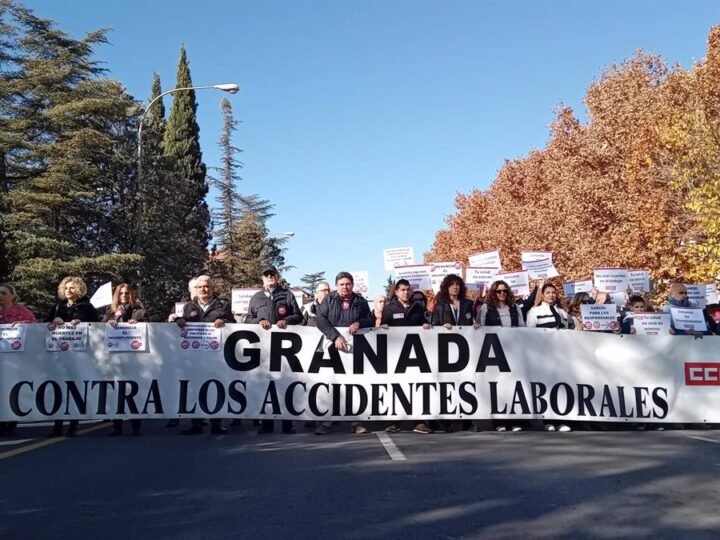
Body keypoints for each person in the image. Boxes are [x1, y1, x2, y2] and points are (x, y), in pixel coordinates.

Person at [314, 271, 374, 435]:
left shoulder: (360, 301)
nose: (345, 287)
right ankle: (327, 421)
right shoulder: (329, 299)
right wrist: (335, 337)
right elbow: (320, 320)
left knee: (353, 385)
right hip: (333, 348)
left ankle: (355, 421)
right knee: (332, 384)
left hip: (354, 351)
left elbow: (370, 319)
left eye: (348, 284)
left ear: (352, 285)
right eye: (341, 284)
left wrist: (359, 322)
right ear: (336, 286)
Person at [246, 265, 303, 434]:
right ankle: (266, 424)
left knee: (285, 385)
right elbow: (248, 318)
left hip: (285, 350)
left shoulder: (287, 295)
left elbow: (298, 316)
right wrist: (258, 322)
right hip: (263, 351)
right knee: (265, 386)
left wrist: (288, 320)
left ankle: (287, 424)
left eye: (272, 274)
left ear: (277, 277)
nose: (270, 277)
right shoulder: (256, 298)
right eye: (266, 275)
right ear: (262, 278)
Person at [175, 275, 233, 435]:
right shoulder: (189, 306)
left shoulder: (222, 305)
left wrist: (224, 321)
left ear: (212, 289)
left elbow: (234, 324)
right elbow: (184, 322)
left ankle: (217, 424)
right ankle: (196, 423)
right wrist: (179, 321)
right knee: (194, 388)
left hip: (216, 355)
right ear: (196, 289)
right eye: (200, 287)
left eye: (206, 286)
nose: (203, 289)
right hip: (195, 356)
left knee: (216, 388)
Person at [47, 276, 99, 437]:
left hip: (79, 355)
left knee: (75, 389)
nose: (68, 291)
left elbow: (97, 326)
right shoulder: (57, 306)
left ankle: (74, 424)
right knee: (58, 389)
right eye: (66, 288)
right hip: (58, 356)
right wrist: (53, 320)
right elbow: (45, 324)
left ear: (79, 289)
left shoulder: (87, 306)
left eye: (72, 288)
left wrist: (81, 321)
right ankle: (57, 426)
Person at [381, 279, 433, 434]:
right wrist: (382, 327)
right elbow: (382, 326)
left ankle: (420, 422)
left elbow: (424, 323)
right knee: (398, 387)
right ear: (396, 292)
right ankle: (396, 421)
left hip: (417, 355)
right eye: (402, 290)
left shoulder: (417, 307)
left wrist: (426, 326)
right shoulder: (389, 308)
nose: (406, 292)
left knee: (418, 386)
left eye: (408, 289)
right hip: (396, 356)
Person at [473, 280, 525, 432]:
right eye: (498, 291)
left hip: (513, 351)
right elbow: (479, 326)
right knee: (498, 386)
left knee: (513, 385)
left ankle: (515, 420)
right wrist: (476, 327)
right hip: (493, 352)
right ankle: (500, 421)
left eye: (504, 291)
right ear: (493, 293)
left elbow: (522, 327)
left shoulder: (515, 308)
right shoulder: (486, 308)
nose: (502, 293)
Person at [103, 283, 146, 436]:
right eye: (121, 293)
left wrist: (137, 322)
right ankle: (117, 426)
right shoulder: (110, 310)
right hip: (114, 358)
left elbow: (148, 324)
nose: (124, 296)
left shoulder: (138, 310)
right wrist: (108, 322)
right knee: (116, 392)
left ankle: (136, 425)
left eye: (126, 293)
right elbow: (99, 327)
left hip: (134, 358)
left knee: (134, 392)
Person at [0, 283, 37, 436]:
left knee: (10, 387)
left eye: (3, 293)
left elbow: (36, 326)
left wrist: (23, 324)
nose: (0, 296)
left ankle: (11, 420)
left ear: (13, 296)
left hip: (15, 357)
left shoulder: (22, 311)